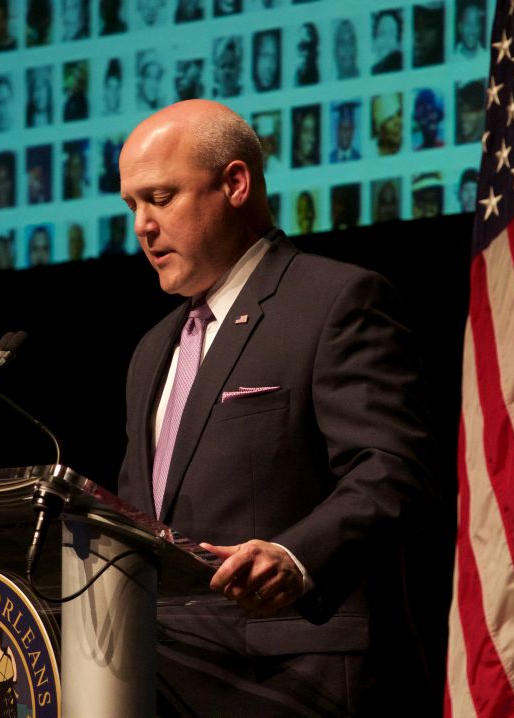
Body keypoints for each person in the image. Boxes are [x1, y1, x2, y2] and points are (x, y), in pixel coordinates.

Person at [116, 100, 435, 715]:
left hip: (299, 682)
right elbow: (133, 526)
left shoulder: (335, 300)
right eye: (133, 206)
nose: (142, 226)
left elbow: (393, 470)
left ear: (235, 183)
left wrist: (296, 555)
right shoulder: (155, 348)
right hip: (169, 687)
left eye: (160, 198)